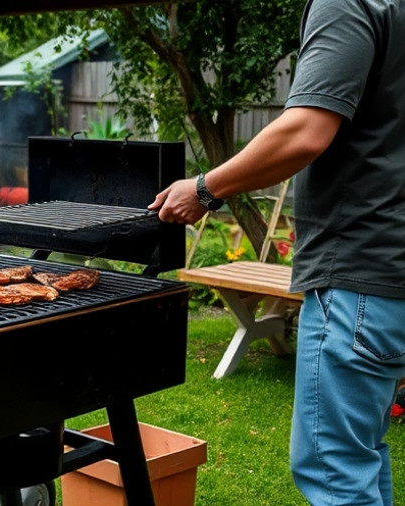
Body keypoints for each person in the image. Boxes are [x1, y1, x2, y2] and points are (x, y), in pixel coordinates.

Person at [148, 0, 405, 504]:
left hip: (358, 270)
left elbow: (305, 132)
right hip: (389, 275)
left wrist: (203, 189)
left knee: (336, 469)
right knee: (363, 452)